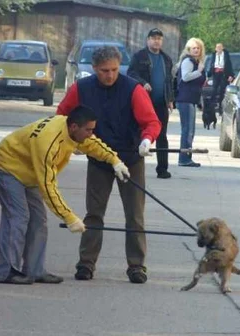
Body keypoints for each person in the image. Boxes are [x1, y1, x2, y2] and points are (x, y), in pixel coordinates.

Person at [0, 106, 131, 285]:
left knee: (39, 220)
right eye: (88, 130)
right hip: (8, 167)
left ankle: (34, 270)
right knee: (18, 216)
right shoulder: (48, 143)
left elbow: (91, 144)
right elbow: (48, 187)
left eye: (92, 129)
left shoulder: (72, 131)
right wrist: (69, 217)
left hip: (29, 171)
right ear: (73, 127)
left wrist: (115, 161)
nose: (91, 134)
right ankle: (5, 271)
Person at [56, 46, 161, 284]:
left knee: (134, 215)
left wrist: (147, 139)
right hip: (99, 160)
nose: (110, 75)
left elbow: (151, 121)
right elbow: (61, 117)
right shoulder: (81, 89)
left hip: (130, 159)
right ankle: (86, 263)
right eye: (104, 71)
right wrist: (70, 141)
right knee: (94, 214)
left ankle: (137, 266)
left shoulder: (133, 89)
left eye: (114, 69)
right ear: (94, 69)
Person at [127, 28, 175, 179]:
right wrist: (143, 83)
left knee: (162, 135)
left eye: (159, 38)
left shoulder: (166, 59)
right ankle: (132, 165)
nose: (156, 41)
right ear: (148, 40)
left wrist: (170, 99)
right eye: (153, 38)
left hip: (161, 103)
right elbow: (131, 74)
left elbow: (169, 81)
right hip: (143, 102)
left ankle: (162, 169)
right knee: (137, 133)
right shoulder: (139, 56)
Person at [174, 38, 206, 168]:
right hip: (185, 100)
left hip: (191, 100)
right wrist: (199, 71)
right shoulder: (188, 61)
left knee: (190, 130)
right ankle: (184, 158)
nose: (196, 50)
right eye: (194, 48)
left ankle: (187, 157)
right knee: (187, 130)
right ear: (188, 50)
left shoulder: (196, 62)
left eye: (198, 48)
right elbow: (186, 77)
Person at [207, 43, 234, 111]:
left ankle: (221, 107)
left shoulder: (226, 55)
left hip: (223, 74)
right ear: (215, 49)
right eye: (217, 47)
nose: (218, 49)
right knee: (214, 90)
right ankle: (212, 106)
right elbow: (211, 65)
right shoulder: (213, 55)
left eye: (220, 47)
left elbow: (229, 65)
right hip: (216, 73)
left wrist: (231, 75)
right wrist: (209, 73)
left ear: (222, 48)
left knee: (222, 90)